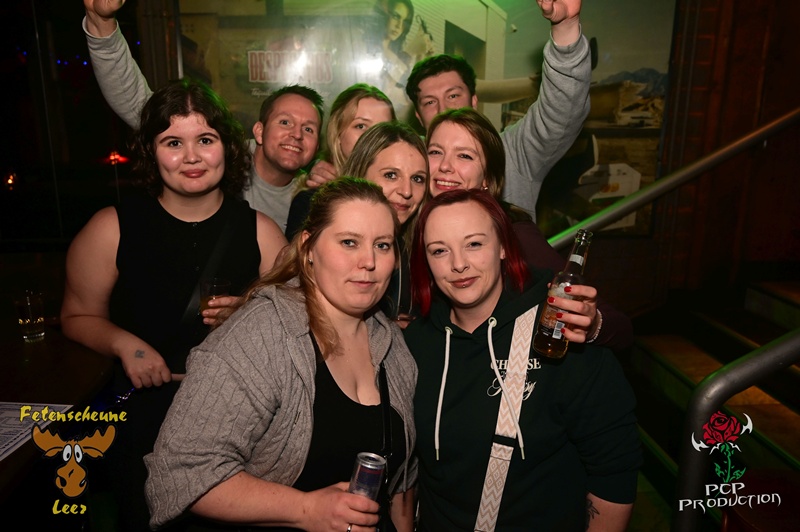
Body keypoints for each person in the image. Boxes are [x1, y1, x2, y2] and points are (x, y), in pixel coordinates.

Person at [60, 77, 288, 532]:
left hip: (237, 425)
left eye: (205, 139)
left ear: (227, 148)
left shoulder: (261, 233)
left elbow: (296, 330)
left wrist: (250, 313)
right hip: (144, 423)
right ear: (151, 151)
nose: (191, 157)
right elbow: (76, 316)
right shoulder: (112, 228)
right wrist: (125, 345)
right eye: (173, 142)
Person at [144, 177, 417, 532]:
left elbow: (402, 484)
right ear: (308, 248)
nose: (369, 261)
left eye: (382, 245)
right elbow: (179, 473)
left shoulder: (392, 343)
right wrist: (306, 509)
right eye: (349, 242)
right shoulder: (260, 335)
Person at [404, 189, 641, 530]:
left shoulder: (559, 333)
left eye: (474, 244)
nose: (458, 264)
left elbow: (615, 472)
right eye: (439, 250)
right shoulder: (416, 343)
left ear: (503, 246)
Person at [81, 0, 325, 231]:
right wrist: (101, 23)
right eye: (285, 122)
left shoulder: (315, 192)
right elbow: (137, 103)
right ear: (259, 131)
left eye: (309, 129)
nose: (296, 134)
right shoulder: (221, 154)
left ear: (317, 144)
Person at [425, 106, 633, 350]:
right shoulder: (414, 230)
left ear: (487, 178)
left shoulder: (515, 233)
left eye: (464, 156)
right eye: (435, 152)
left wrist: (591, 324)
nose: (445, 166)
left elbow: (621, 329)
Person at [393, 0, 591, 220]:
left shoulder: (512, 154)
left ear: (474, 101)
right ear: (418, 117)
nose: (443, 109)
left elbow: (561, 111)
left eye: (453, 96)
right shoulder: (408, 168)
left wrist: (566, 27)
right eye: (430, 102)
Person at [286, 121, 428, 326]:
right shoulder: (317, 217)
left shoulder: (417, 242)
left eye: (417, 179)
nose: (406, 191)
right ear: (361, 173)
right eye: (391, 175)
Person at [285, 83, 396, 238]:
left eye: (382, 129)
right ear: (337, 134)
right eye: (361, 126)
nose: (372, 137)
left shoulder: (403, 194)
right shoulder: (313, 203)